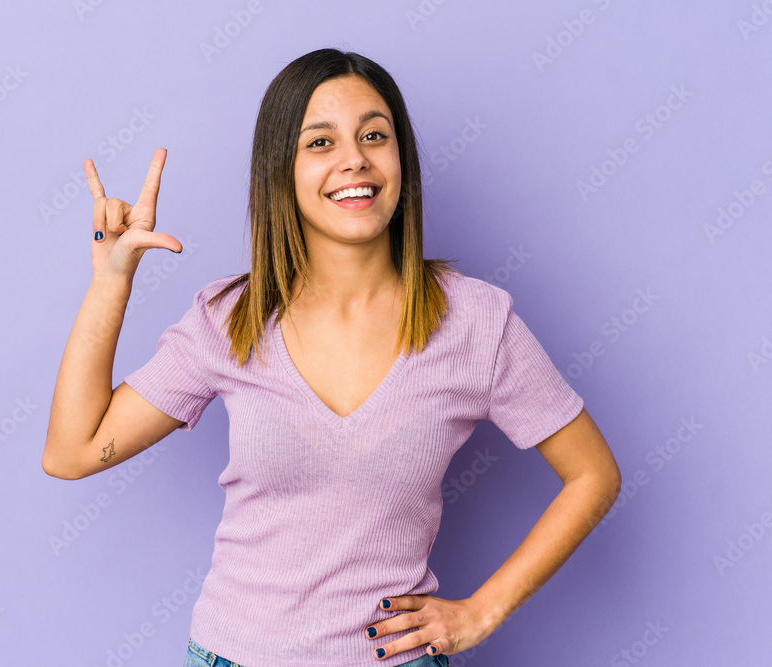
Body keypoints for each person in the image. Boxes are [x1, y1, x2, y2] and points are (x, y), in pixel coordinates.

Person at [42, 48, 622, 667]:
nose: (354, 159)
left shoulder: (478, 322)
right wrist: (111, 283)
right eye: (320, 142)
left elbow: (593, 475)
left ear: (402, 160)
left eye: (375, 135)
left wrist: (482, 611)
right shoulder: (229, 321)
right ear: (280, 170)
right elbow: (73, 452)